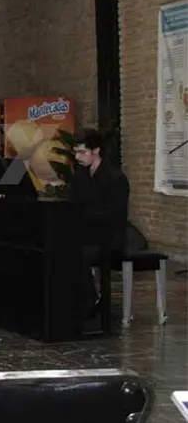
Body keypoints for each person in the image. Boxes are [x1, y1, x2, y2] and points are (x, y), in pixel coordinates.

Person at [71, 128, 130, 323]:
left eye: (82, 152)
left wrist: (82, 218)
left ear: (96, 151)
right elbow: (74, 203)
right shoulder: (80, 175)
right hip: (87, 234)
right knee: (60, 249)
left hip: (110, 237)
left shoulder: (115, 178)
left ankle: (89, 301)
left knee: (76, 254)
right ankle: (75, 301)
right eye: (75, 152)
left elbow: (113, 215)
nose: (78, 157)